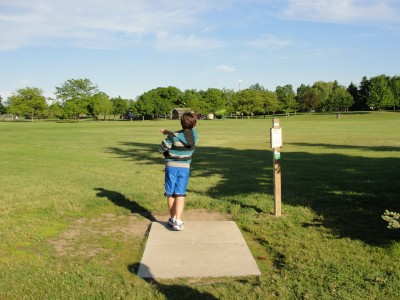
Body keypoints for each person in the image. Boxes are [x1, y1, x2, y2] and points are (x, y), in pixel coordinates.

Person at [159, 112, 198, 231]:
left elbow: (161, 148)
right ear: (194, 123)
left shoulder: (173, 137)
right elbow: (181, 135)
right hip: (185, 168)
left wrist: (167, 155)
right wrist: (167, 131)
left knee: (170, 194)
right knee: (180, 193)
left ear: (181, 122)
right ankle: (178, 221)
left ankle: (172, 219)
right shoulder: (195, 135)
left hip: (171, 167)